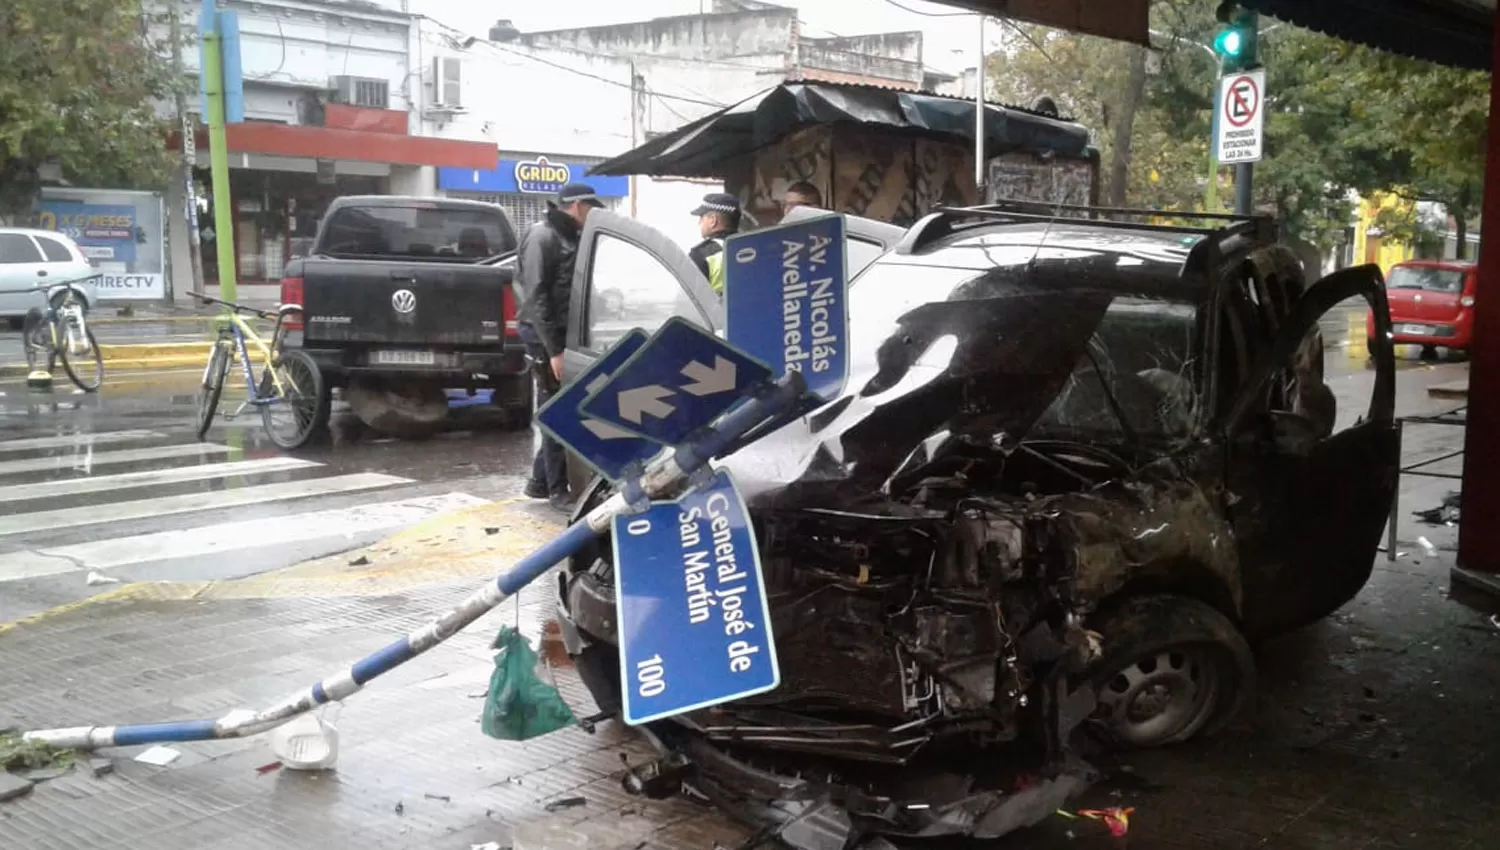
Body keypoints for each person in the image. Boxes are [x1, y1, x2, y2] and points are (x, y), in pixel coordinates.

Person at [516, 182, 603, 509]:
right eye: (592, 208)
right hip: (543, 335)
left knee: (559, 404)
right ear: (578, 205)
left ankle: (539, 482)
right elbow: (535, 296)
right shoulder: (544, 236)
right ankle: (557, 490)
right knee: (557, 409)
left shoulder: (568, 235)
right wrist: (554, 351)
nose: (594, 214)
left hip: (559, 334)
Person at [688, 193, 741, 294]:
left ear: (713, 220)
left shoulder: (701, 255)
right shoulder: (753, 248)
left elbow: (688, 300)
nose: (699, 223)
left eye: (701, 218)